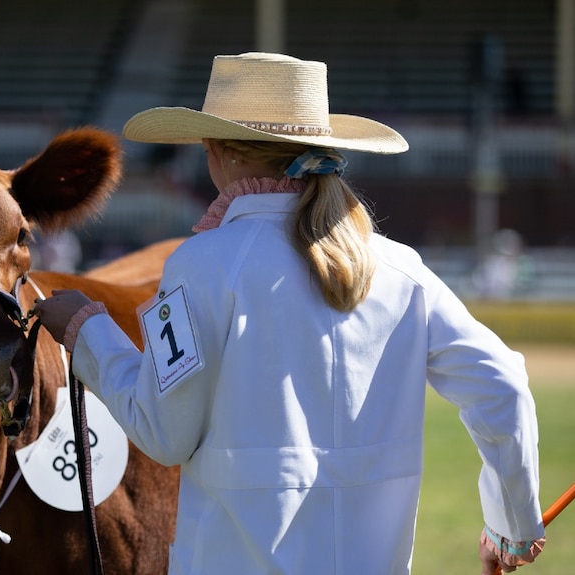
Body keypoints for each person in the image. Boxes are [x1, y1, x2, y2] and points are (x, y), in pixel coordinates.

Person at [34, 52, 545, 575]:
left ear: (219, 151)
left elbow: (164, 433)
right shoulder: (401, 269)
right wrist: (513, 525)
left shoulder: (202, 263)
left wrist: (87, 332)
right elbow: (501, 382)